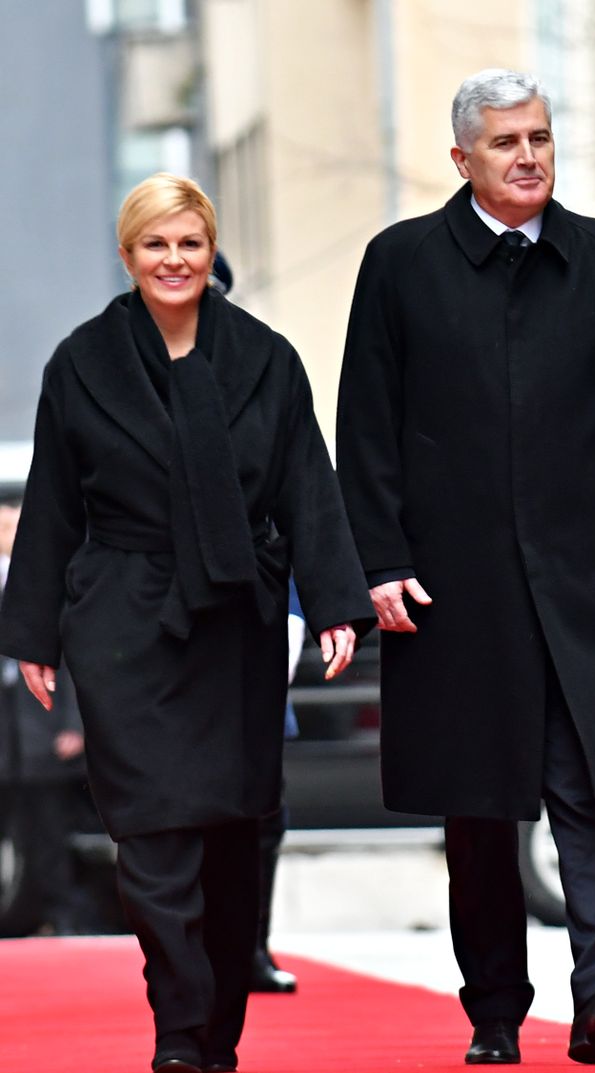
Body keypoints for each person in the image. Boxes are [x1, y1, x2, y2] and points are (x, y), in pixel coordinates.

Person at [335, 69, 595, 1067]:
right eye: (505, 142)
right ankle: (494, 1010)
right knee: (480, 803)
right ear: (462, 158)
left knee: (590, 782)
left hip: (584, 570)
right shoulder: (401, 263)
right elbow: (365, 425)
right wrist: (379, 561)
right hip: (455, 584)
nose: (528, 156)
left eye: (539, 137)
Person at [0, 172, 371, 1073]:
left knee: (233, 831)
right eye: (156, 245)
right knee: (152, 828)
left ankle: (217, 1032)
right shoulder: (80, 363)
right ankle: (178, 1028)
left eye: (190, 243)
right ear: (127, 255)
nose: (175, 260)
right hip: (123, 620)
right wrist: (35, 630)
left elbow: (308, 483)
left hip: (236, 619)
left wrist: (334, 601)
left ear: (212, 250)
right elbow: (52, 503)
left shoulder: (268, 359)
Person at [0, 497, 89, 938]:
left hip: (42, 727)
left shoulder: (50, 583)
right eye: (3, 527)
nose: (9, 536)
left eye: (16, 527)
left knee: (50, 832)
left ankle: (60, 914)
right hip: (5, 734)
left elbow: (75, 658)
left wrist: (76, 724)